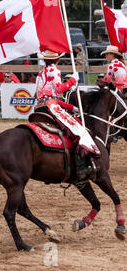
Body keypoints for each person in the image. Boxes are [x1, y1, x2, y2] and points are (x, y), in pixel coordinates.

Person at [34, 50, 101, 181]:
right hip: (50, 107)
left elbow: (40, 96)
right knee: (78, 129)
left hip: (38, 108)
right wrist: (72, 80)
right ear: (57, 60)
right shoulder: (54, 70)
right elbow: (59, 90)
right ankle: (81, 167)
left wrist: (71, 107)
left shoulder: (40, 74)